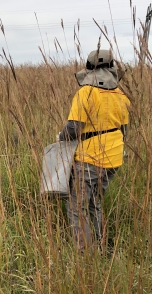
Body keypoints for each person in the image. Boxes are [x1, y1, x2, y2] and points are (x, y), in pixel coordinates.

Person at [58, 49, 130, 251]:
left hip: (90, 159)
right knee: (94, 203)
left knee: (76, 207)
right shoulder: (121, 95)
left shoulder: (86, 92)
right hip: (114, 159)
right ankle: (99, 246)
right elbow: (123, 130)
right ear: (112, 67)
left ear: (89, 68)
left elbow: (73, 128)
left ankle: (86, 255)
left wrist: (60, 137)